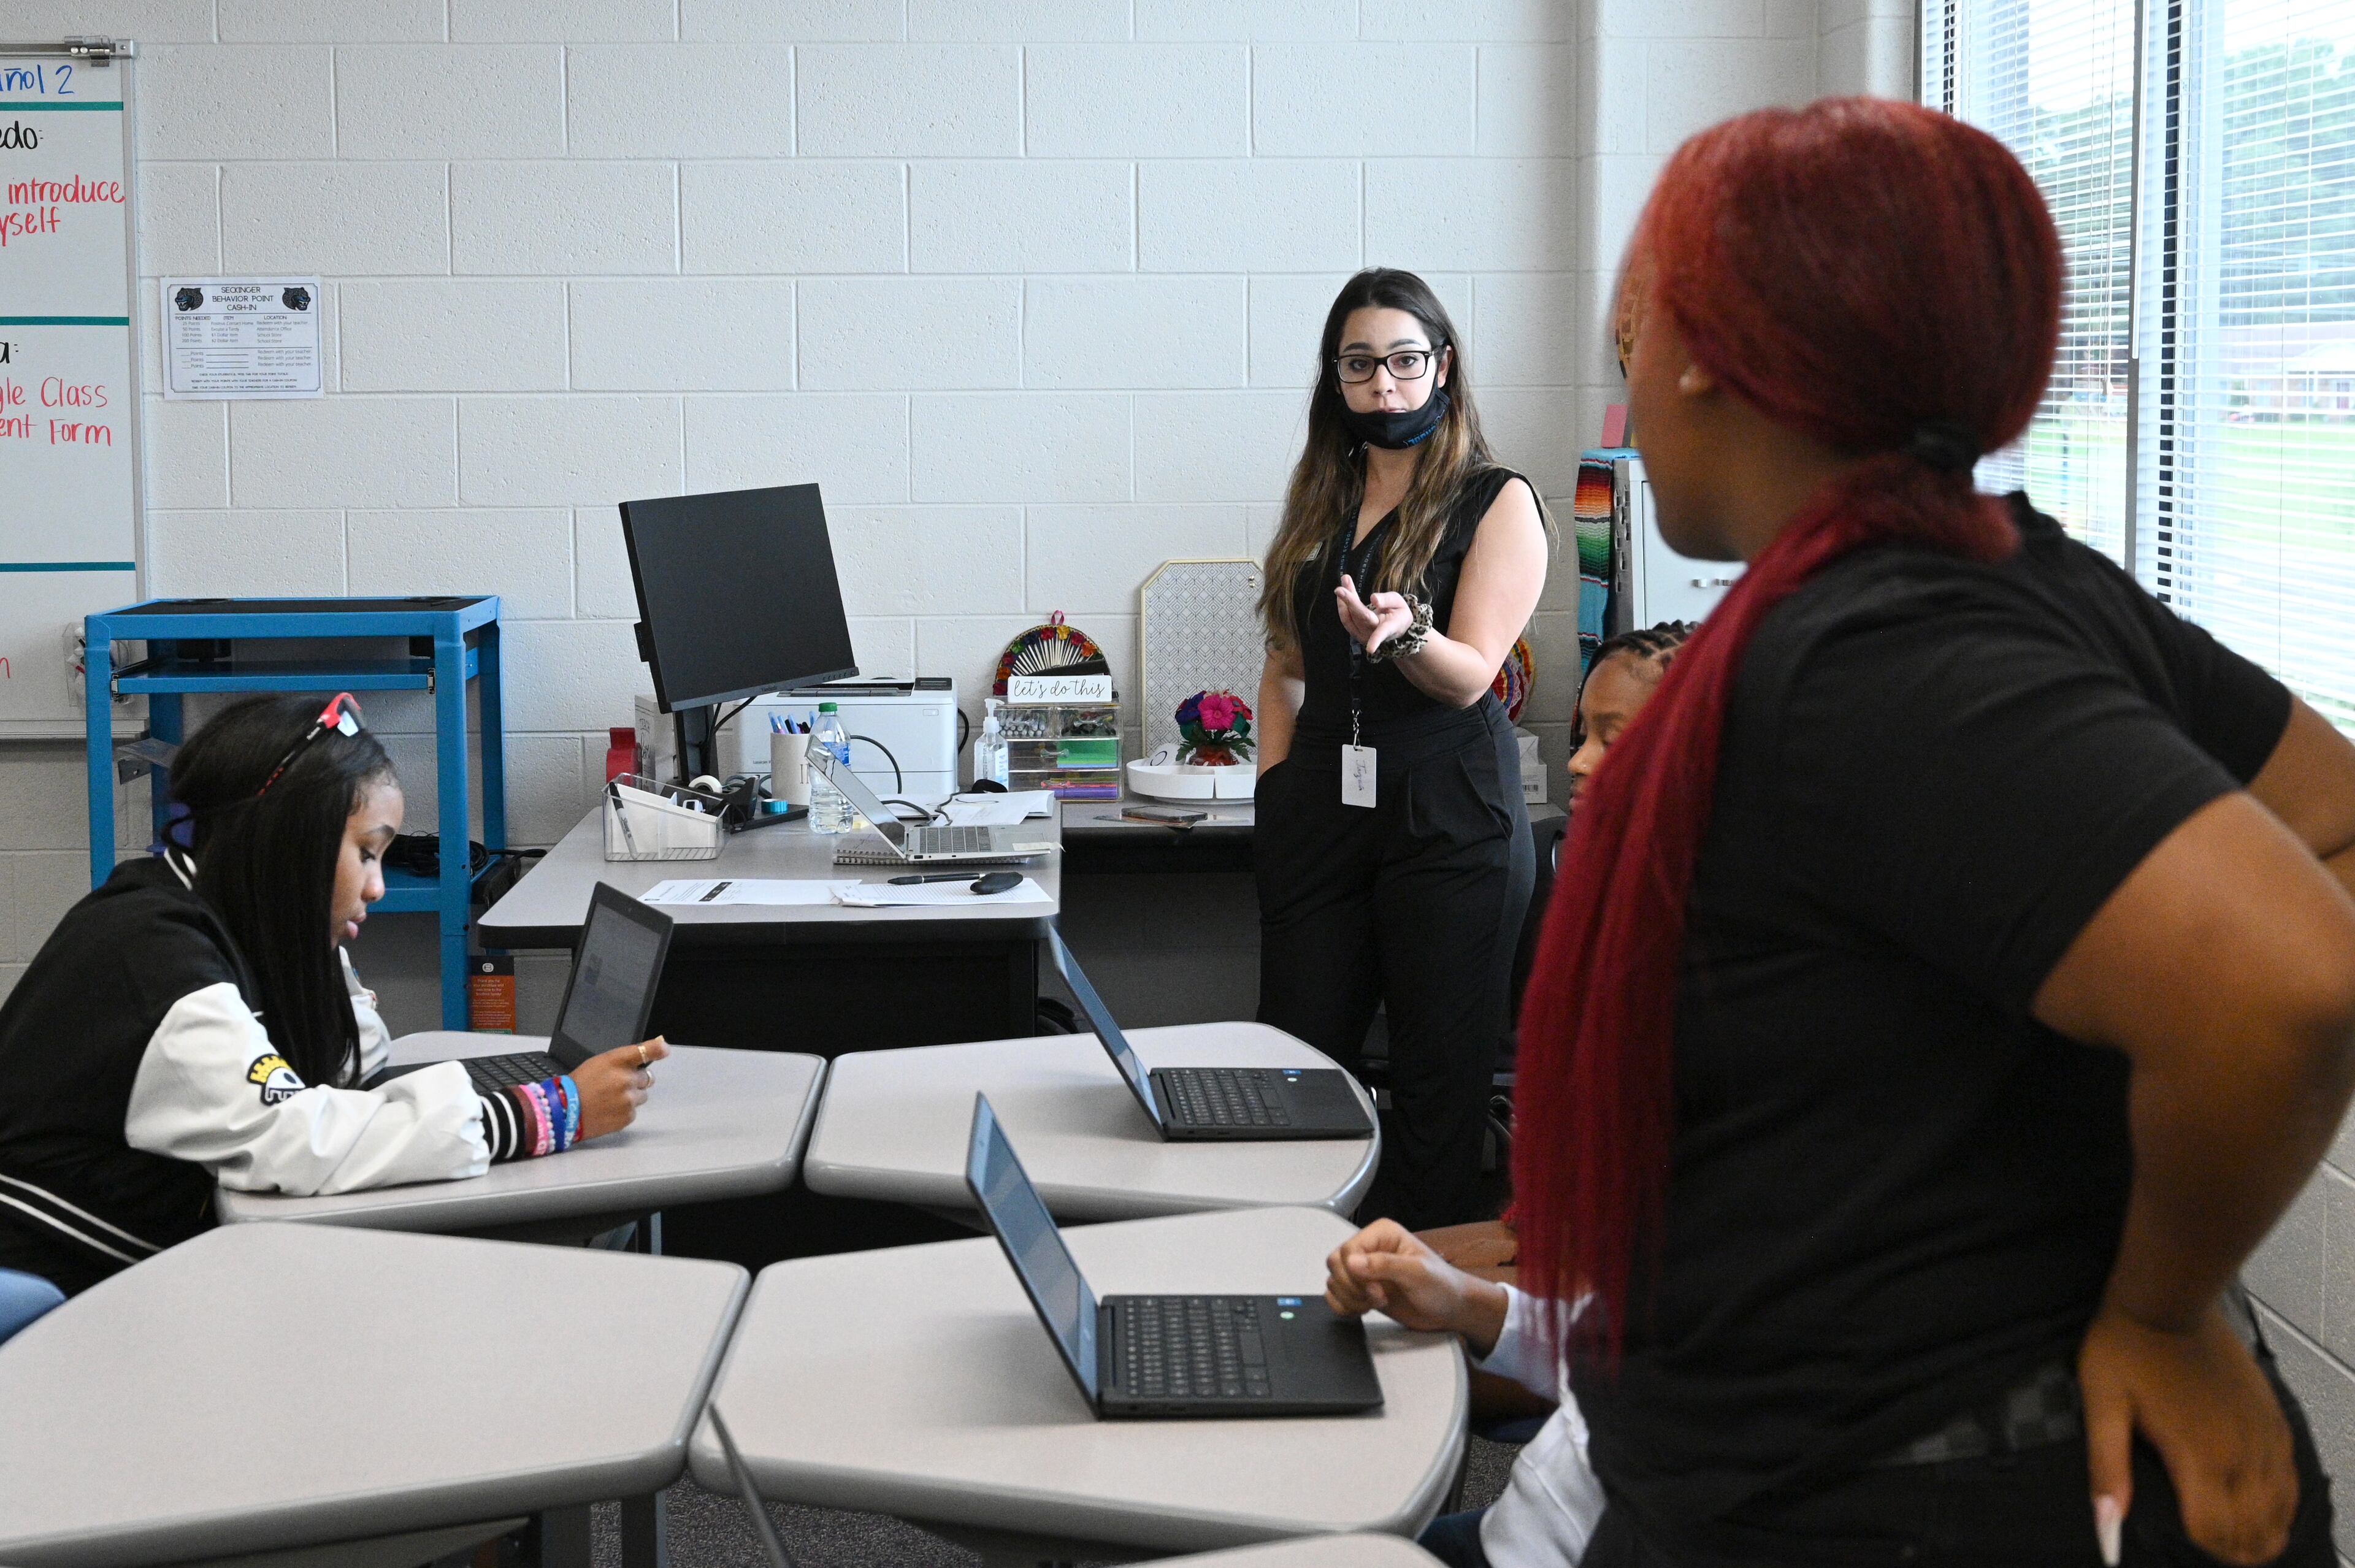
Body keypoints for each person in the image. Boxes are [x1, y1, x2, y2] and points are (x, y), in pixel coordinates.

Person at [1330, 97, 2355, 1567]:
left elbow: (2287, 979)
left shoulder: (1867, 654)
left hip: (1896, 1496)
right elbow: (2327, 825)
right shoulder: (2010, 576)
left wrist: (2155, 1302)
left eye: (1634, 335)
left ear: (1701, 349)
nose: (1630, 382)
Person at [0, 694, 666, 1296]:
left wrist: (312, 942)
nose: (377, 887)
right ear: (292, 843)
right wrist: (548, 1112)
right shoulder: (159, 959)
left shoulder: (221, 907)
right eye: (366, 854)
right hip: (65, 1297)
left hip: (146, 1270)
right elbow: (295, 1140)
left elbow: (348, 1067)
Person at [1254, 266, 1552, 1231]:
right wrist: (1276, 786)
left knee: (1437, 1086)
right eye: (1361, 364)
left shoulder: (1496, 500)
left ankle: (1423, 1319)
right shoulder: (1321, 504)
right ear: (1336, 381)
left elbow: (1472, 675)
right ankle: (1288, 1282)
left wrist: (1404, 634)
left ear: (1443, 369)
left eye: (1405, 361)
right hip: (1324, 818)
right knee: (1295, 1074)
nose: (1385, 384)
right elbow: (1286, 663)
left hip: (1449, 820)